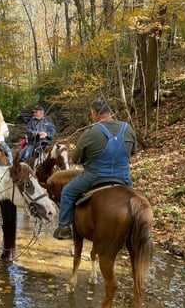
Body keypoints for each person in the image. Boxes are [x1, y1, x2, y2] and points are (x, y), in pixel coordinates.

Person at [53, 98, 137, 240]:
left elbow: (76, 159)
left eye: (92, 114)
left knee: (67, 192)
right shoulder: (128, 128)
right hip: (124, 176)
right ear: (109, 112)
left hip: (95, 176)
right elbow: (132, 152)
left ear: (96, 113)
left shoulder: (90, 132)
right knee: (133, 201)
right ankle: (133, 230)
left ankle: (64, 228)